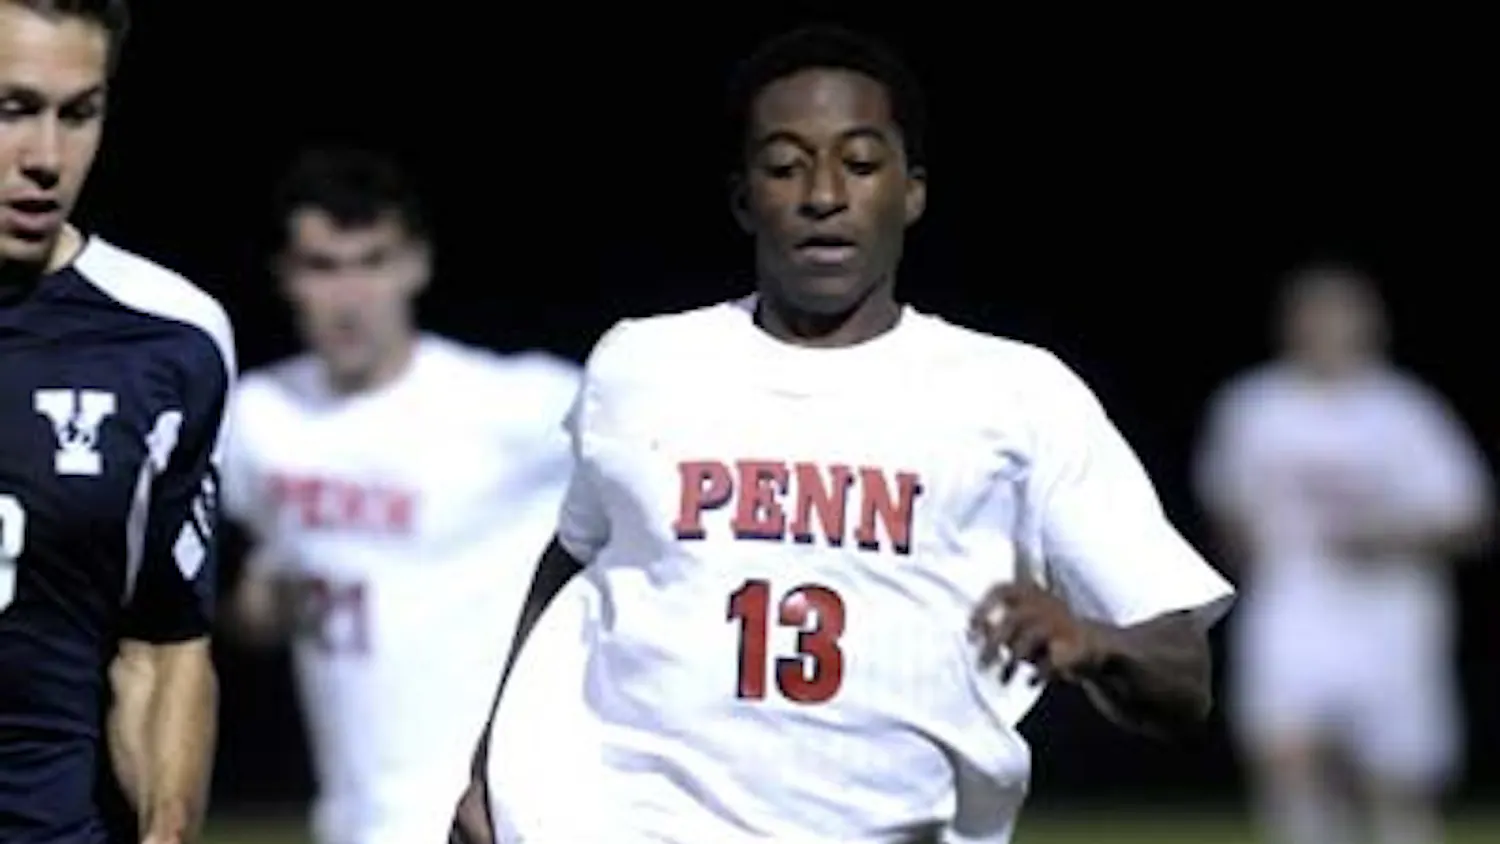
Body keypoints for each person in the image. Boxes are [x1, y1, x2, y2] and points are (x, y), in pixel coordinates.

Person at [452, 25, 1235, 844]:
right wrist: (492, 767)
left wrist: (1093, 642)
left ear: (913, 190)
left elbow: (1184, 681)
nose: (822, 194)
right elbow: (574, 561)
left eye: (860, 163)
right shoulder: (643, 364)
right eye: (785, 166)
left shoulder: (1018, 394)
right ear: (742, 196)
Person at [220, 147, 580, 844]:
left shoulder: (515, 408)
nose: (350, 295)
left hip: (492, 812)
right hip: (351, 814)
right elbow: (256, 600)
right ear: (287, 277)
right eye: (324, 267)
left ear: (416, 263)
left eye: (372, 262)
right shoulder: (257, 420)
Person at [0, 2, 234, 842]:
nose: (46, 159)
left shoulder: (168, 341)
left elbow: (164, 647)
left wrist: (166, 833)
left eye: (80, 114)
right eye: (12, 109)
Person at [1193, 264, 1491, 844]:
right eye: (1312, 315)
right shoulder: (1254, 407)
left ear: (1370, 325)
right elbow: (1227, 503)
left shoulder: (1405, 412)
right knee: (1288, 759)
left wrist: (1394, 537)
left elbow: (1471, 517)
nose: (1325, 329)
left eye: (1340, 315)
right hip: (1294, 607)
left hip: (1391, 615)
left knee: (1393, 780)